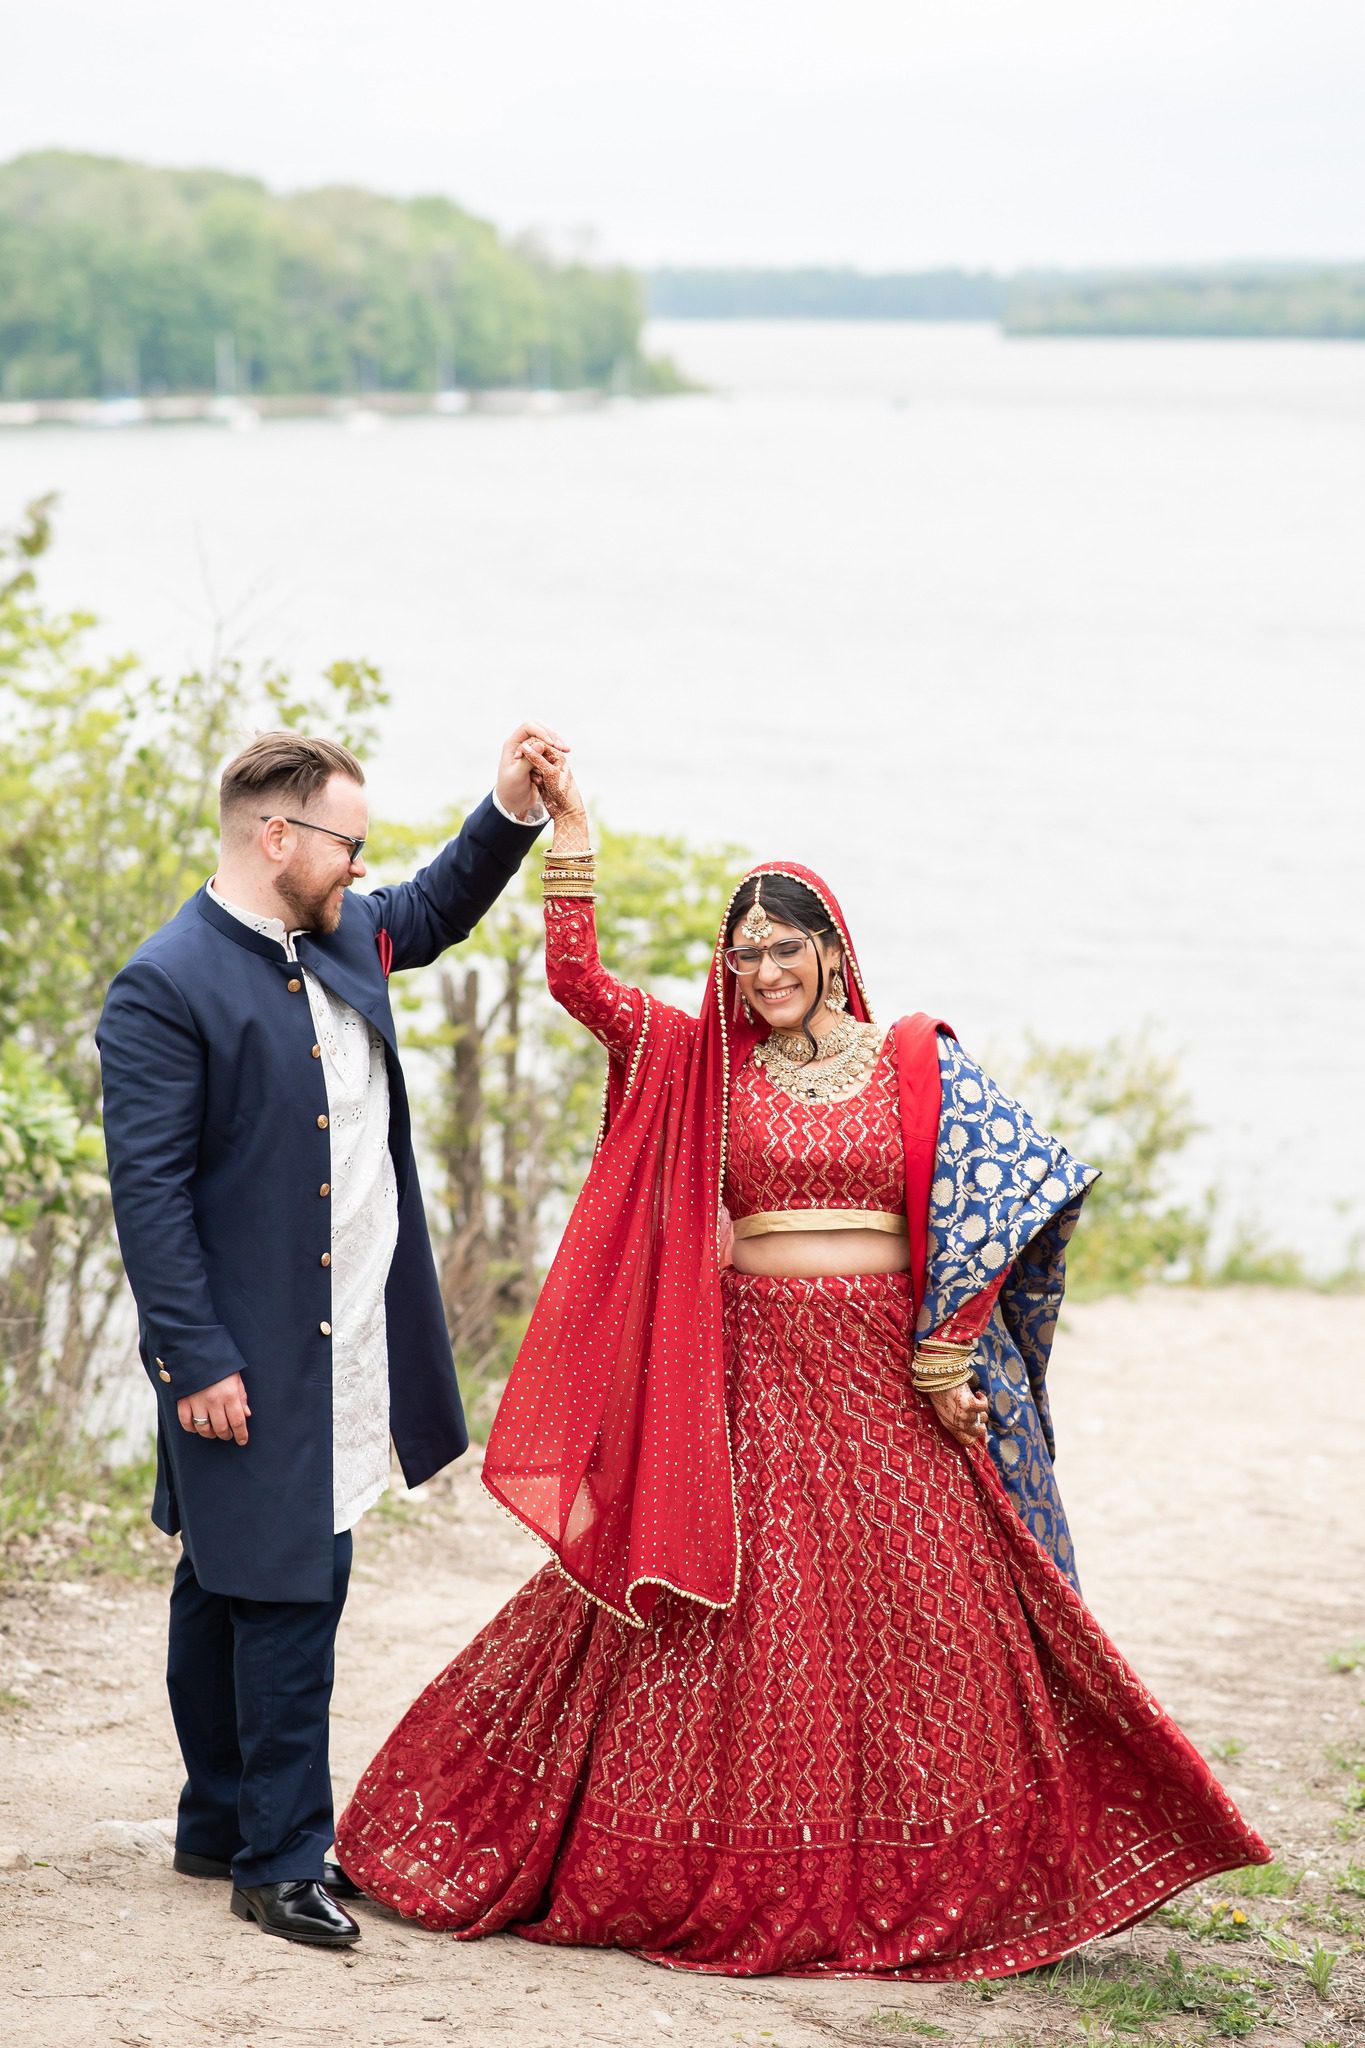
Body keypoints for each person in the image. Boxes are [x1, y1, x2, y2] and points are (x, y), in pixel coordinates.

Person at [334, 749, 1267, 1979]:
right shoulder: (703, 1064)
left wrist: (946, 1349)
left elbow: (1008, 1193)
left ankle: (964, 1870)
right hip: (755, 1387)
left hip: (890, 1385)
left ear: (831, 949)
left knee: (941, 1629)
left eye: (787, 949)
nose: (766, 973)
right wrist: (570, 836)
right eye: (747, 954)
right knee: (721, 1628)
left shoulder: (914, 1057)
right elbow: (576, 982)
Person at [96, 724, 557, 1949]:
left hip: (356, 1331)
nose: (363, 865)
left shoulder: (342, 927)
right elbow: (148, 1194)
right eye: (348, 841)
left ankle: (217, 1819)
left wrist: (507, 809)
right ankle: (281, 1856)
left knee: (223, 1576)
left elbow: (437, 903)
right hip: (248, 1348)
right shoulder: (167, 981)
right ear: (277, 835)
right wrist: (194, 1358)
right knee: (293, 1584)